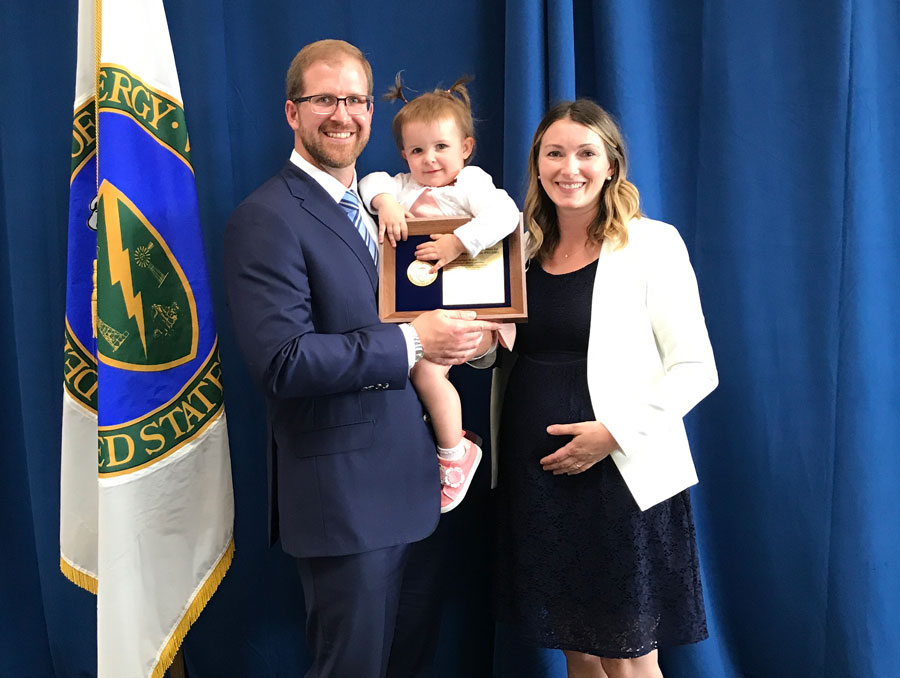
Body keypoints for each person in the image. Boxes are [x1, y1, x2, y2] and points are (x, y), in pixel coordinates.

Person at [223, 40, 498, 678]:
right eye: (325, 99)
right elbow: (284, 363)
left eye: (355, 100)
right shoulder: (265, 217)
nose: (342, 114)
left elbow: (435, 314)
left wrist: (471, 342)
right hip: (342, 503)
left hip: (419, 492)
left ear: (372, 111)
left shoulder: (393, 209)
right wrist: (414, 343)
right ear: (292, 112)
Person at [484, 100, 718, 678]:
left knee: (631, 661)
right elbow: (503, 351)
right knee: (578, 651)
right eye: (554, 153)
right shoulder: (519, 249)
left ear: (611, 164)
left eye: (586, 153)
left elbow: (695, 367)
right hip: (535, 475)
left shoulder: (652, 244)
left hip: (622, 476)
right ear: (537, 165)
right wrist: (478, 342)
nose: (570, 168)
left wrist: (611, 435)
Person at [359, 75, 519, 513]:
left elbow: (507, 214)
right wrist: (387, 204)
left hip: (468, 306)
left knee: (427, 375)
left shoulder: (469, 184)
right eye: (416, 151)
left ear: (465, 148)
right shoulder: (404, 187)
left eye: (441, 147)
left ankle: (456, 454)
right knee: (404, 373)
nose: (429, 160)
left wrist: (457, 242)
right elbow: (370, 181)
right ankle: (433, 442)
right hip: (417, 311)